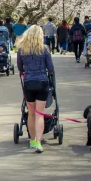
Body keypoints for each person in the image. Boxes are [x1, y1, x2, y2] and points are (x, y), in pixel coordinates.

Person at [17, 25, 55, 153]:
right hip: (42, 82)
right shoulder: (44, 50)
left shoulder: (21, 50)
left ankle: (32, 140)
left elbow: (20, 68)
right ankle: (39, 141)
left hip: (28, 83)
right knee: (40, 114)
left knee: (31, 114)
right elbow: (50, 68)